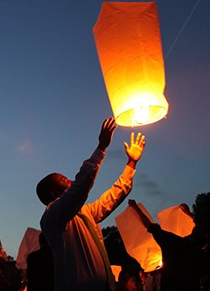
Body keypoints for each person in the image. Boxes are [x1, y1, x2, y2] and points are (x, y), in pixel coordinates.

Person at [37, 117, 146, 291]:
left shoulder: (84, 213)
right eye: (64, 179)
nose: (71, 180)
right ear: (53, 192)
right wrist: (101, 148)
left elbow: (113, 196)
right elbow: (80, 187)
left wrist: (131, 162)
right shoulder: (52, 218)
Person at [128, 200, 208, 291]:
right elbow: (204, 228)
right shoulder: (201, 255)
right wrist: (189, 214)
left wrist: (136, 208)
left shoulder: (174, 242)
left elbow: (150, 226)